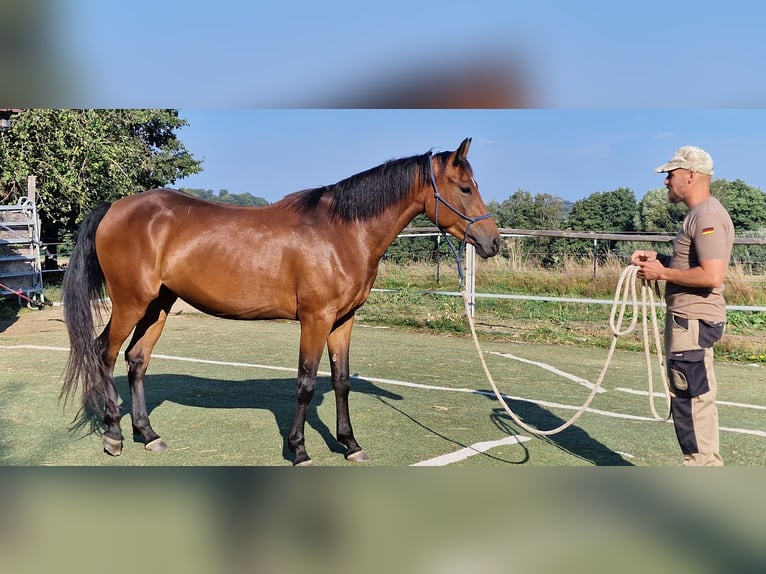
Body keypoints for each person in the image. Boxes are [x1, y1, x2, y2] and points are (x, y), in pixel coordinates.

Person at [631, 146, 734, 466]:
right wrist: (659, 261)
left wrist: (662, 273)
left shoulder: (707, 217)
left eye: (670, 174)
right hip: (687, 321)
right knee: (691, 399)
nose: (666, 181)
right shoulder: (700, 215)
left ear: (690, 176)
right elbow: (695, 265)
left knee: (691, 402)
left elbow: (712, 274)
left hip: (692, 322)